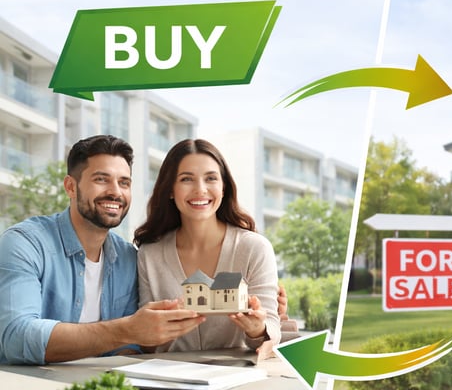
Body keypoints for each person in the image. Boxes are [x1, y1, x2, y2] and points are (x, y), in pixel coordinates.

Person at [0, 135, 204, 365]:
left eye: (124, 182)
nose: (115, 192)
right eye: (101, 179)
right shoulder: (25, 243)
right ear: (70, 187)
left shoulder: (128, 257)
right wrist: (126, 330)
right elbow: (16, 337)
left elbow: (128, 346)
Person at [133, 139, 281, 353]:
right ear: (170, 190)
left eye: (211, 178)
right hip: (169, 378)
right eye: (186, 179)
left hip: (237, 376)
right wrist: (155, 332)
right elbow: (146, 345)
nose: (200, 190)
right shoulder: (149, 254)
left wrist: (257, 329)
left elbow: (271, 330)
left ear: (223, 188)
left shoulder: (254, 248)